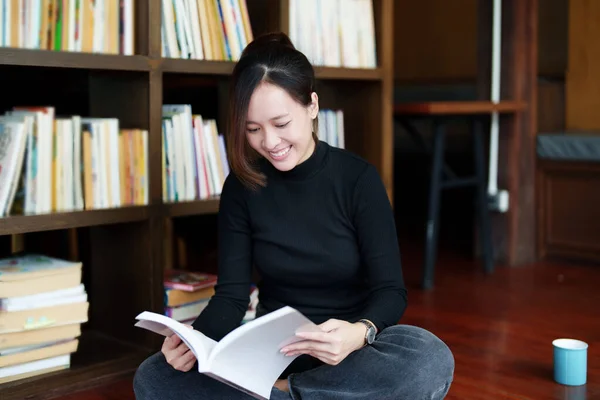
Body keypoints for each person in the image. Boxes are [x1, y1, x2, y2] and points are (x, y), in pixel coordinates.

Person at [133, 32, 454, 400]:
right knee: (154, 376)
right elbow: (232, 298)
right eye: (253, 129)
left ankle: (287, 394)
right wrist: (196, 343)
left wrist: (360, 331)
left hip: (347, 354)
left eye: (281, 123)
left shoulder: (358, 179)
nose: (269, 142)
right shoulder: (242, 187)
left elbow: (390, 291)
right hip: (273, 354)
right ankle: (294, 393)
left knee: (427, 358)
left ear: (312, 106)